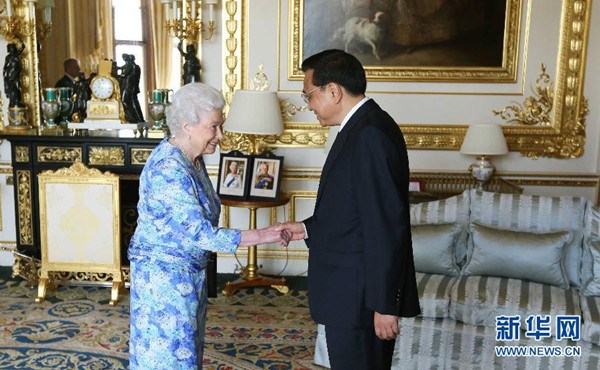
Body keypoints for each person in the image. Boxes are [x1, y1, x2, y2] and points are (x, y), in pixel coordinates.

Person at [128, 82, 290, 369]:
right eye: (214, 126)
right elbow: (202, 234)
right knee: (168, 360)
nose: (221, 135)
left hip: (187, 277)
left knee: (186, 355)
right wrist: (265, 234)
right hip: (164, 282)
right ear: (188, 125)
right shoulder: (169, 169)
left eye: (221, 125)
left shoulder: (192, 160)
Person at [281, 49, 420, 369]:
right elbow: (351, 210)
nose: (309, 106)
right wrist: (306, 228)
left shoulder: (370, 134)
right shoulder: (359, 128)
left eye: (309, 96)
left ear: (333, 91)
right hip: (348, 294)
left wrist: (385, 304)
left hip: (360, 299)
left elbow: (385, 224)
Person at [3, 42, 25, 107]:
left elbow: (23, 47)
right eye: (10, 48)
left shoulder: (16, 54)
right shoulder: (8, 57)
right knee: (12, 89)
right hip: (10, 75)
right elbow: (5, 66)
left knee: (18, 88)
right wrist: (4, 73)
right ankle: (13, 102)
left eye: (12, 48)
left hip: (16, 74)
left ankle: (18, 101)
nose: (11, 49)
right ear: (9, 49)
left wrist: (20, 40)